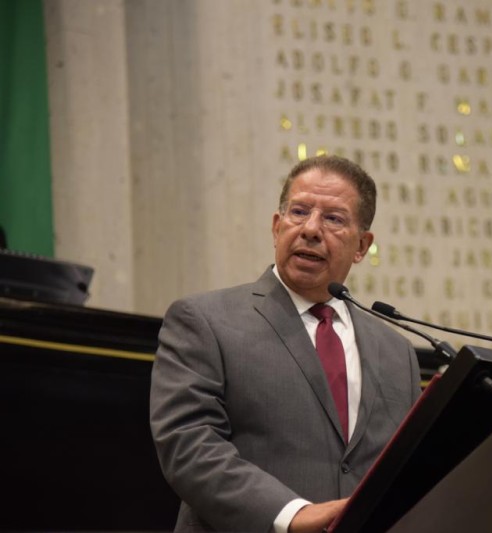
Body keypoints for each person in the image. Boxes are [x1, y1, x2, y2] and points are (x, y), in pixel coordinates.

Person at [150, 155, 421, 532]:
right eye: (299, 211)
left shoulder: (397, 352)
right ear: (277, 227)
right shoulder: (205, 321)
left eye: (333, 218)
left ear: (362, 245)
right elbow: (189, 445)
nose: (311, 229)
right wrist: (291, 514)